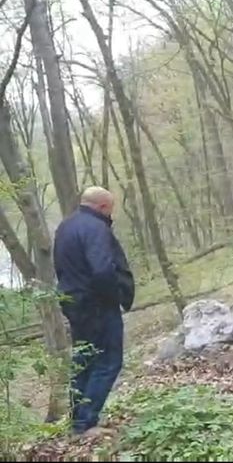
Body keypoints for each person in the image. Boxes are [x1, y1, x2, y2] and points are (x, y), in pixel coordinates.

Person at [53, 186, 134, 437]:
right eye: (110, 210)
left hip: (74, 304)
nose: (111, 215)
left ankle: (77, 420)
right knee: (108, 361)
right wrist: (114, 298)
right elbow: (101, 270)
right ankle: (86, 423)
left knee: (84, 360)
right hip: (97, 305)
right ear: (102, 207)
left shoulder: (65, 227)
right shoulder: (96, 228)